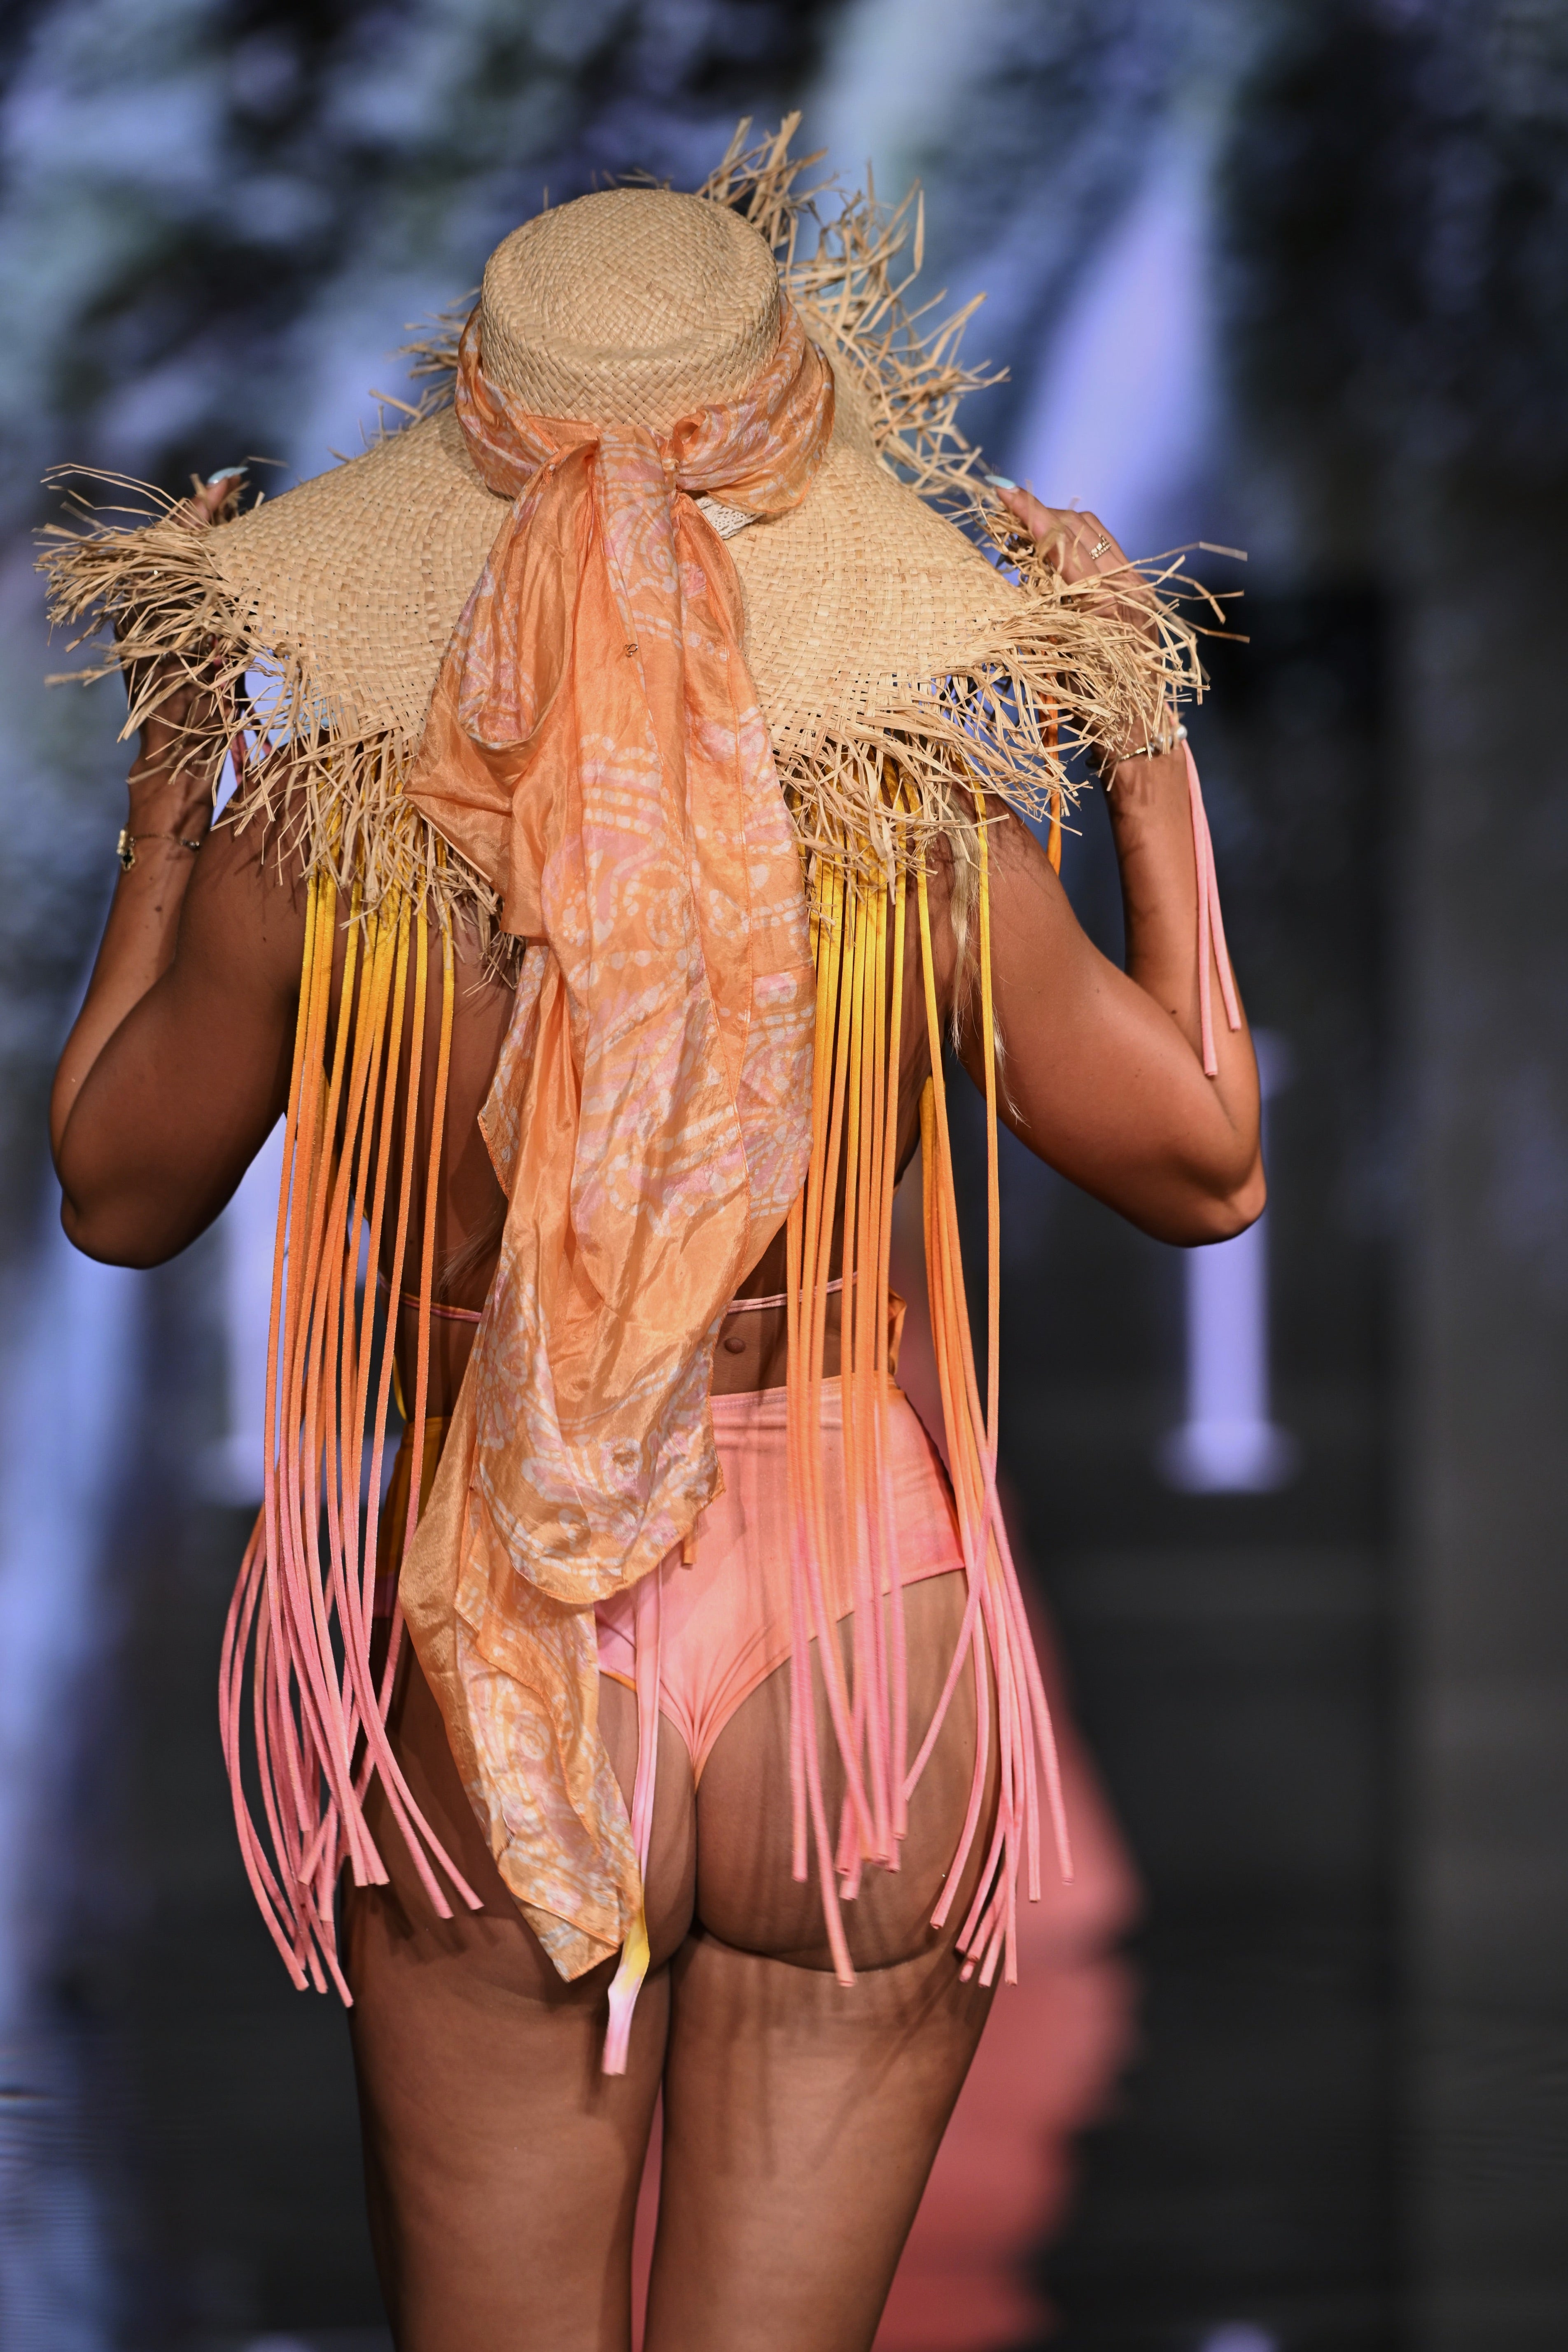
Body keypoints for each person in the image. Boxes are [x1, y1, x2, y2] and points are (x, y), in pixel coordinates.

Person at [46, 125, 1262, 2352]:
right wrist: (1145, 759)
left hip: (499, 1618)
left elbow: (117, 1196)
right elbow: (1208, 1167)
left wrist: (168, 807)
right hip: (857, 1645)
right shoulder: (914, 846)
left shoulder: (322, 852)